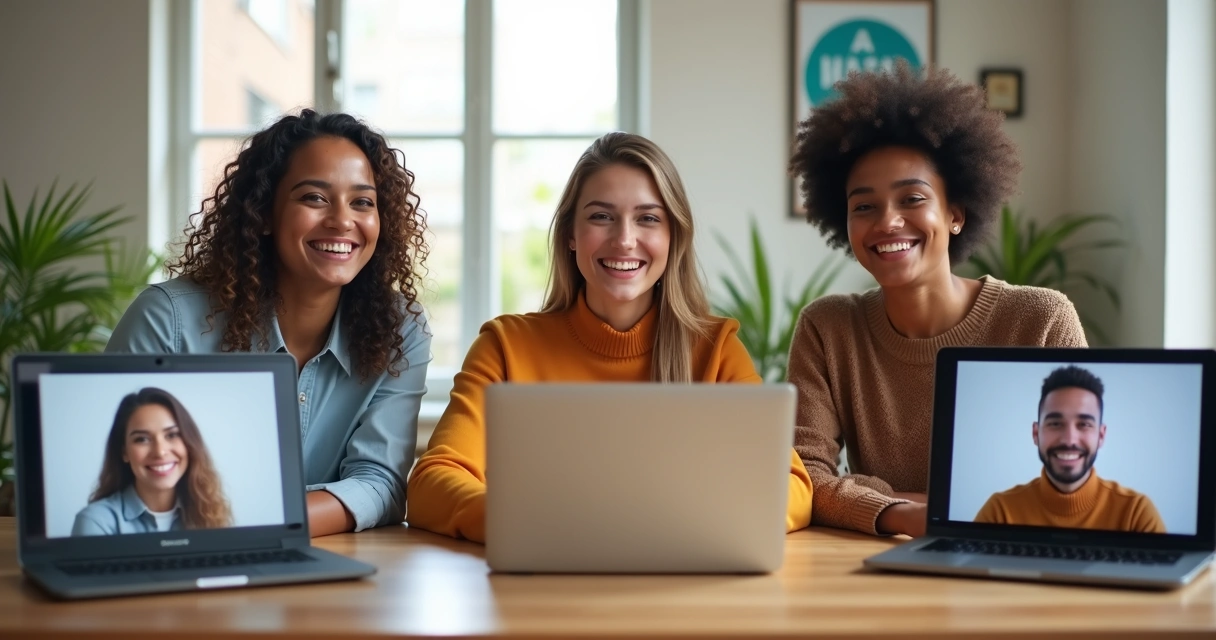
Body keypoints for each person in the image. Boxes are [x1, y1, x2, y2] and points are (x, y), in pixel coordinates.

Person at [406, 132, 813, 542]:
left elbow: (792, 485)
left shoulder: (716, 350)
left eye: (648, 218)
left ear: (674, 237)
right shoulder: (505, 346)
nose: (624, 239)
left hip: (682, 589)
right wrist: (527, 523)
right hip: (541, 591)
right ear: (570, 234)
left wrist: (679, 527)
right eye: (601, 216)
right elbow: (432, 482)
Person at [786, 62, 1088, 538]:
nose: (887, 222)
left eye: (912, 199)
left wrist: (873, 494)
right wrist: (909, 513)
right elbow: (805, 480)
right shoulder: (828, 329)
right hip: (880, 568)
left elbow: (1072, 483)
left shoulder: (1038, 320)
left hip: (1011, 565)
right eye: (863, 206)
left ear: (955, 214)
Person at [106, 110, 431, 536]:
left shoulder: (398, 328)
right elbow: (114, 480)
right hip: (177, 565)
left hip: (322, 570)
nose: (342, 220)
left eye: (362, 202)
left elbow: (381, 484)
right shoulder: (167, 319)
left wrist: (245, 522)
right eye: (314, 198)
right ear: (263, 213)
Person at [974, 366, 1165, 532]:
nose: (1069, 439)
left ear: (1101, 436)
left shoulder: (1136, 513)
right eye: (1055, 423)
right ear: (1035, 433)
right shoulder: (999, 512)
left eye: (1084, 424)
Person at [73, 388, 231, 535]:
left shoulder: (210, 514)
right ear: (124, 452)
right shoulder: (96, 522)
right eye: (142, 439)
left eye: (172, 435)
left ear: (189, 443)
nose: (160, 452)